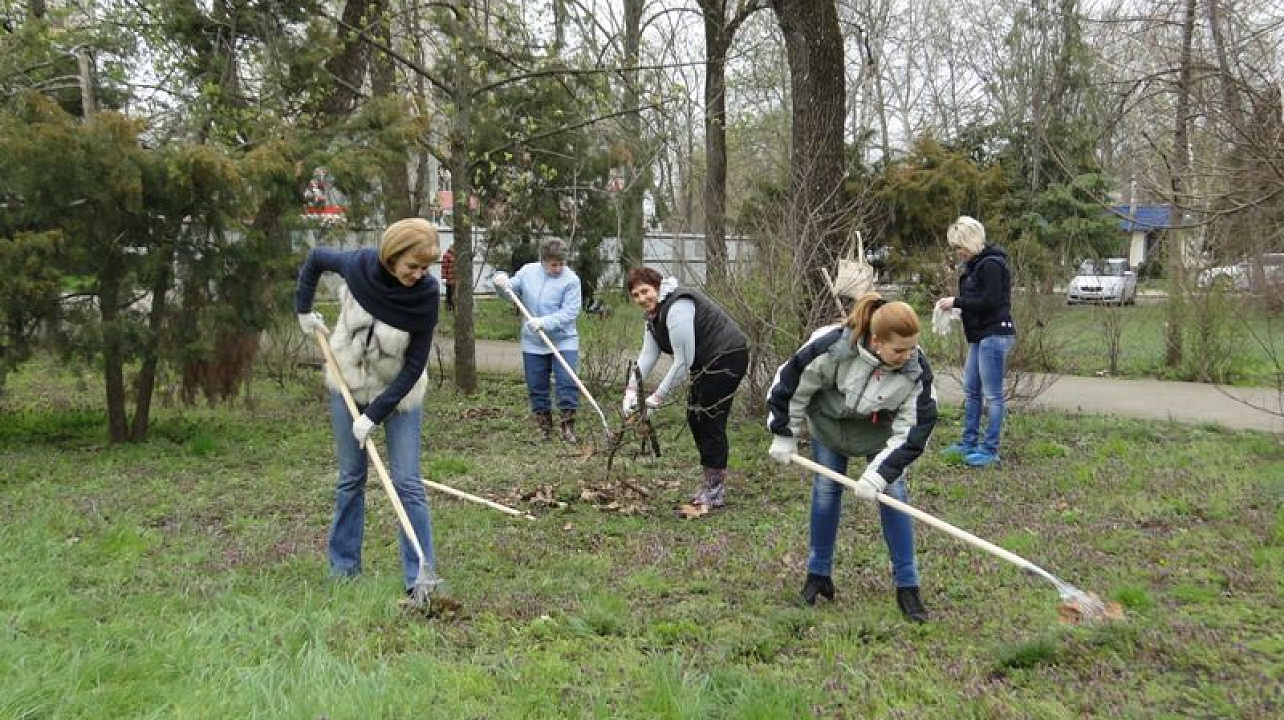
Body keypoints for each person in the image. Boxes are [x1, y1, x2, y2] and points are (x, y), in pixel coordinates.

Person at [766, 293, 937, 622]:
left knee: (894, 495)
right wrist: (785, 433)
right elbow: (794, 381)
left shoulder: (915, 370)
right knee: (826, 491)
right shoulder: (833, 346)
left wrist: (879, 475)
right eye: (899, 350)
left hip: (877, 433)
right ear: (876, 341)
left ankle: (908, 586)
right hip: (829, 427)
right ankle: (818, 576)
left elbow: (914, 430)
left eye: (913, 347)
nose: (908, 356)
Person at [294, 218, 441, 598]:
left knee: (407, 483)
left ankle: (420, 579)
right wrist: (303, 309)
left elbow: (414, 366)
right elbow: (316, 258)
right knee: (350, 479)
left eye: (425, 268)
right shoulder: (358, 265)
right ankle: (343, 570)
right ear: (391, 256)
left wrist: (375, 414)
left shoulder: (426, 296)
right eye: (412, 266)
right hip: (349, 385)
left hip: (399, 395)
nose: (419, 274)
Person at [623, 267, 749, 512]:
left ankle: (715, 489)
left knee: (709, 419)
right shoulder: (654, 316)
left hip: (727, 356)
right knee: (695, 417)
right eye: (636, 295)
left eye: (645, 291)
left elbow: (683, 362)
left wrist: (656, 399)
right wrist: (630, 391)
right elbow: (648, 356)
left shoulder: (678, 307)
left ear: (657, 287)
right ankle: (710, 480)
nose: (642, 298)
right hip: (705, 362)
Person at [934, 215, 1016, 467]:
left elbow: (990, 301)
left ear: (971, 241)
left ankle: (990, 448)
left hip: (995, 334)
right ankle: (968, 442)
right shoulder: (975, 266)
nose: (958, 252)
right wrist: (958, 307)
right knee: (971, 389)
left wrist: (957, 302)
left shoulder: (991, 265)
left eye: (960, 246)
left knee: (992, 395)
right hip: (980, 335)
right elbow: (976, 300)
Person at [491, 238, 583, 443]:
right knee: (537, 385)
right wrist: (500, 283)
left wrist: (544, 322)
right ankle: (544, 428)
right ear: (543, 261)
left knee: (567, 383)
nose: (558, 269)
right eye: (553, 264)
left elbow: (570, 312)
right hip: (533, 342)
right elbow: (509, 292)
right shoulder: (527, 272)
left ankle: (568, 428)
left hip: (563, 340)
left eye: (561, 264)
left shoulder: (571, 280)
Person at [440, 245, 456, 311]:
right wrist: (444, 278)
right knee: (449, 294)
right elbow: (444, 267)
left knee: (455, 294)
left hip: (456, 279)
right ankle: (448, 307)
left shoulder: (457, 255)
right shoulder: (446, 255)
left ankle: (454, 307)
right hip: (449, 279)